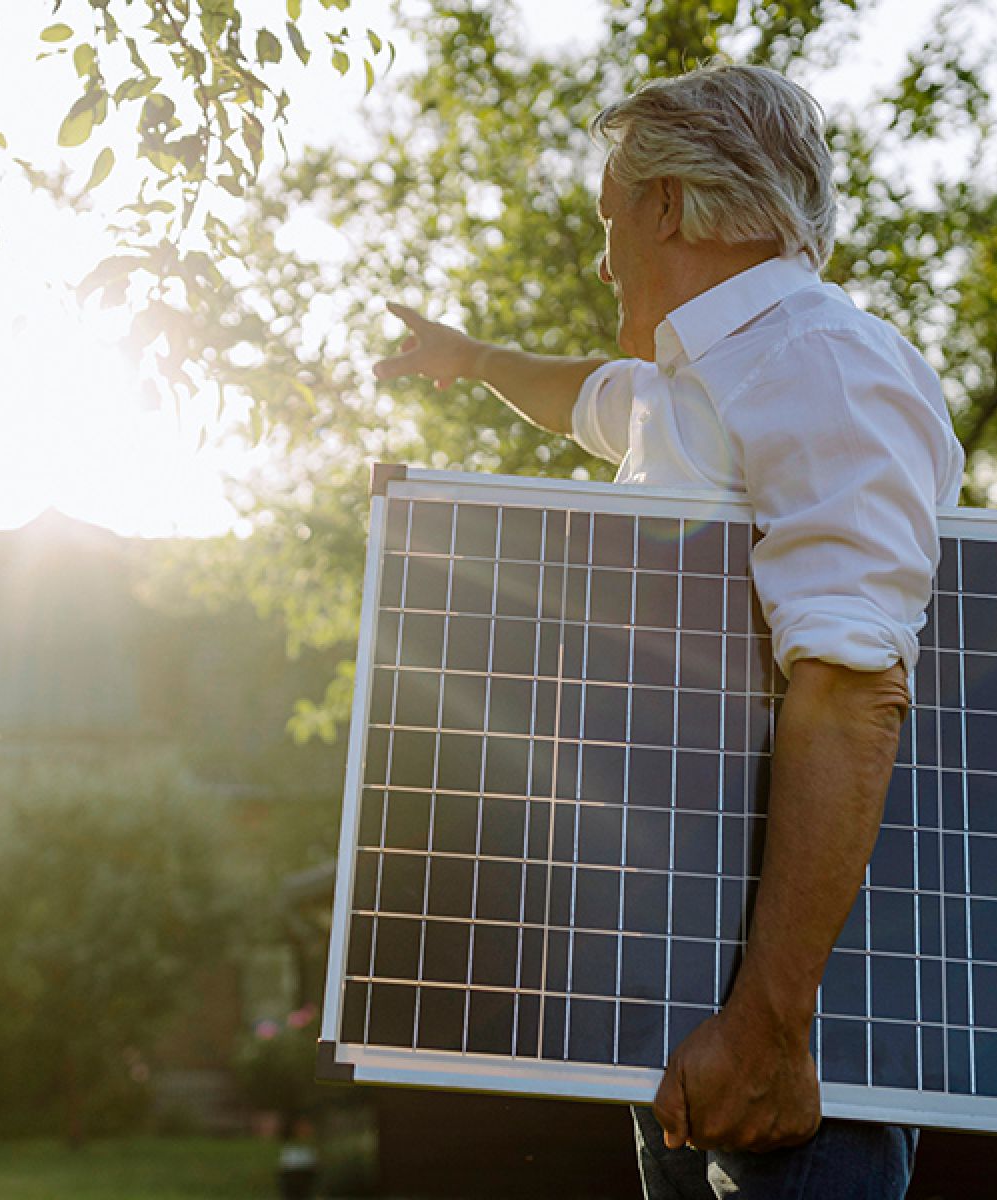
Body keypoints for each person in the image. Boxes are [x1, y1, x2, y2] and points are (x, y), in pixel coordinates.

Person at [371, 62, 964, 1199]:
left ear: (665, 207)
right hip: (686, 996)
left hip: (796, 1021)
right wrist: (473, 361)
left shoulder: (826, 367)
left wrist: (771, 1026)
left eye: (608, 220)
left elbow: (852, 689)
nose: (602, 261)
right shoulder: (696, 383)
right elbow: (589, 395)